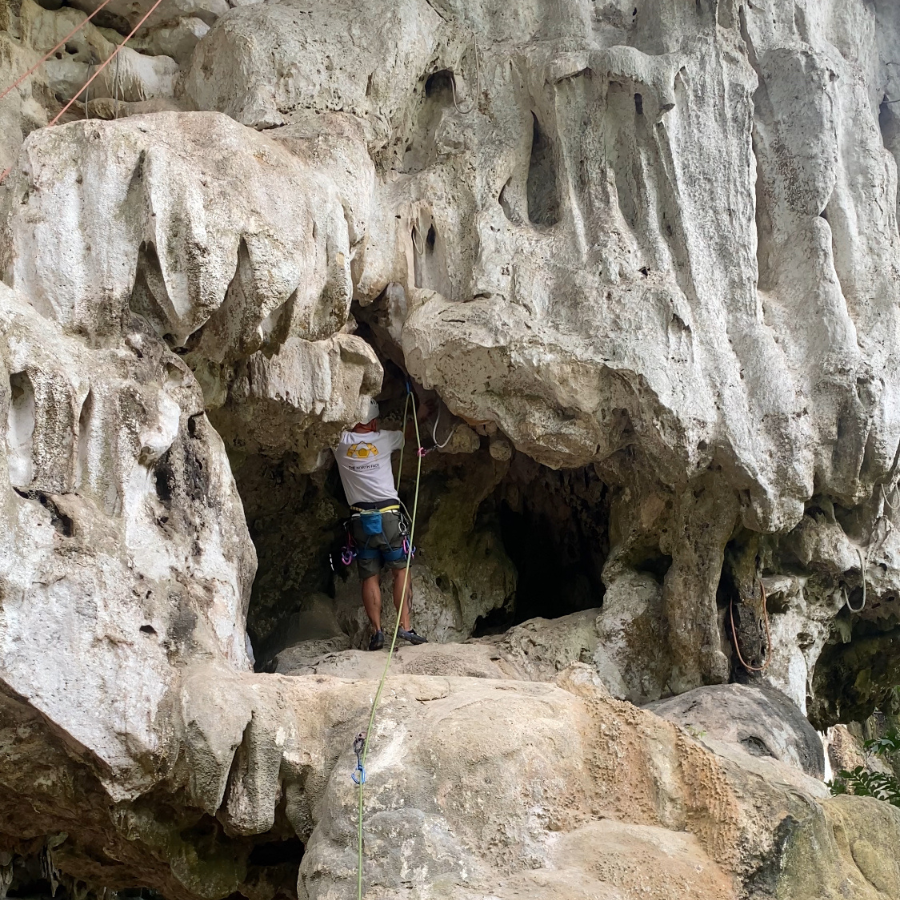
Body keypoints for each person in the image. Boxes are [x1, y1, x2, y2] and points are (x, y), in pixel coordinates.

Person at [333, 398, 429, 651]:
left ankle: (377, 632)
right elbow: (410, 433)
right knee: (401, 570)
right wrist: (421, 412)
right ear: (374, 422)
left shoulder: (339, 442)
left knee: (369, 577)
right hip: (388, 517)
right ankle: (405, 628)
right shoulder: (384, 438)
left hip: (359, 520)